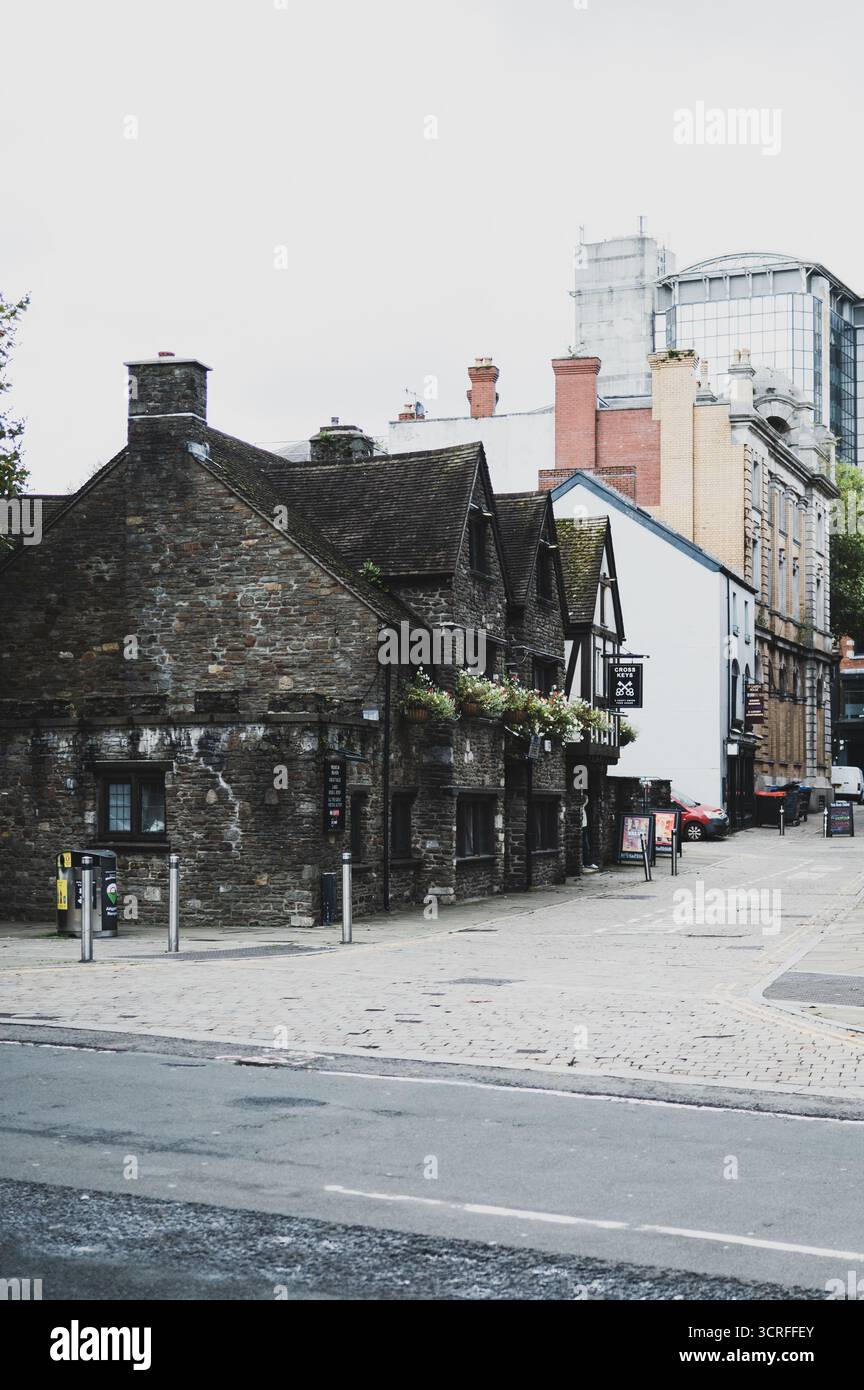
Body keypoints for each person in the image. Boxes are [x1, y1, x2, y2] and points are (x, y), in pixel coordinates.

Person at [581, 797, 599, 873]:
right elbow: (586, 800)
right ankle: (587, 863)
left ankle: (586, 862)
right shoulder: (581, 808)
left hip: (584, 827)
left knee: (586, 846)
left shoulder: (582, 808)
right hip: (582, 828)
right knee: (585, 846)